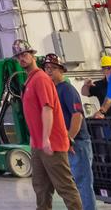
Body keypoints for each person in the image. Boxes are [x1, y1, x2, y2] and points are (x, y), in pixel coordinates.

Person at [17, 45, 82, 210]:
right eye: (18, 56)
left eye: (24, 54)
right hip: (39, 144)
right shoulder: (30, 80)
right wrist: (34, 136)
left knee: (64, 187)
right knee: (41, 188)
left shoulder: (41, 79)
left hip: (51, 143)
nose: (21, 58)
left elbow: (47, 108)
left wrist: (46, 138)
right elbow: (34, 112)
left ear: (32, 55)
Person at [48, 55, 95, 210]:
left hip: (78, 142)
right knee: (72, 183)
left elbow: (77, 115)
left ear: (61, 70)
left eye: (53, 68)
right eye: (47, 68)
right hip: (66, 143)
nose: (49, 71)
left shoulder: (67, 89)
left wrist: (70, 138)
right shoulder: (53, 90)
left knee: (82, 182)